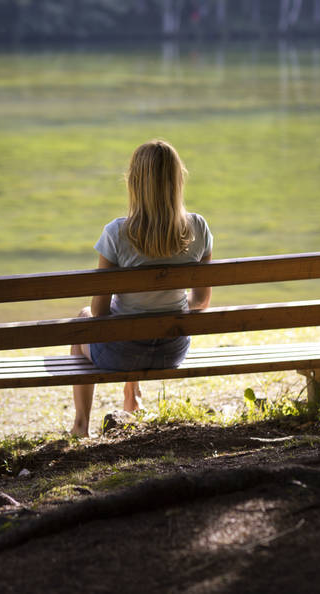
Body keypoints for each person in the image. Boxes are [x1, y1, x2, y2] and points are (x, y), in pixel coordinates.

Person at [70, 139, 213, 437]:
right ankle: (131, 396)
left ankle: (81, 425)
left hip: (120, 355)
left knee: (84, 321)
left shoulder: (116, 233)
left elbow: (98, 311)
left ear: (134, 182)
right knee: (134, 317)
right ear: (177, 180)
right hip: (172, 351)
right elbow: (200, 301)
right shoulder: (198, 228)